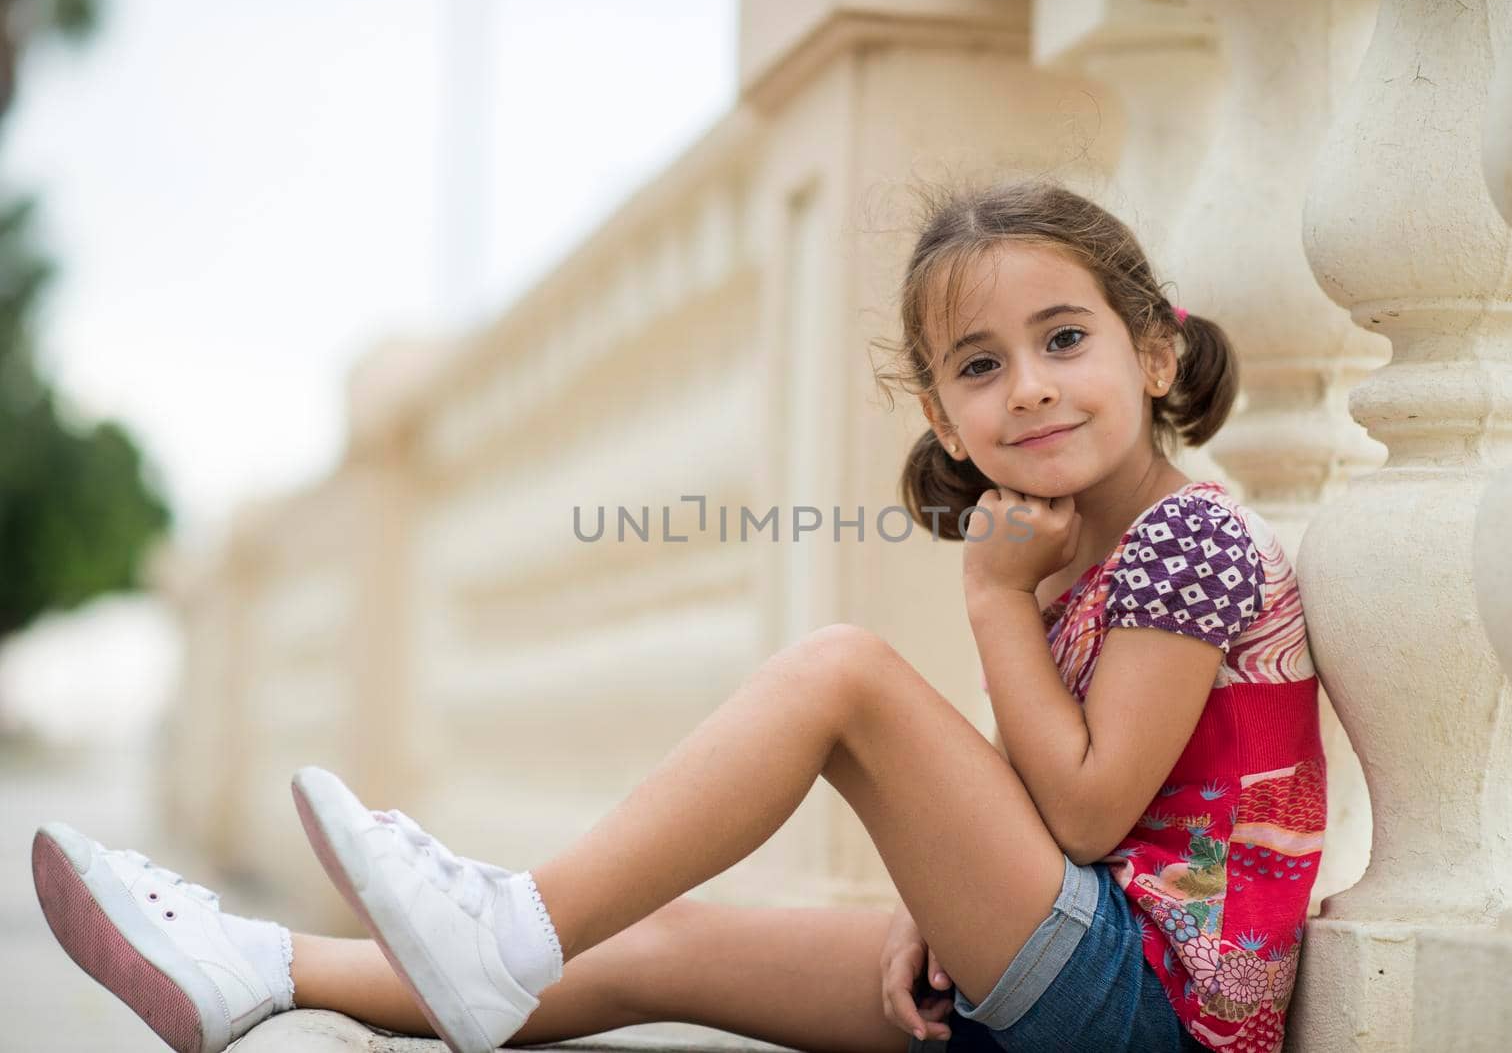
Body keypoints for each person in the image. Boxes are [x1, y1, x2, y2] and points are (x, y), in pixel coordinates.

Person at [31, 178, 1325, 1053]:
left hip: (1164, 1008)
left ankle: (508, 923)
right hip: (1084, 961)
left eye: (1064, 340)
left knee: (846, 675)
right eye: (981, 366)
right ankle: (260, 967)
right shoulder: (1070, 562)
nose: (1028, 389)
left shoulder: (1186, 538)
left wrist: (989, 598)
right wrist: (947, 905)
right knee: (660, 940)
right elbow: (1054, 815)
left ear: (1153, 353)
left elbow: (1091, 812)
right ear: (942, 417)